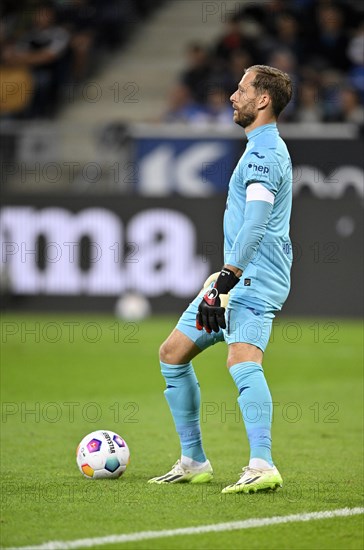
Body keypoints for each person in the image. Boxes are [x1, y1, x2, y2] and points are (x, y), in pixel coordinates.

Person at [148, 65, 293, 494]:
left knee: (242, 361)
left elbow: (255, 223)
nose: (233, 96)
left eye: (242, 88)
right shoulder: (259, 148)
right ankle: (194, 460)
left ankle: (262, 464)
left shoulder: (265, 154)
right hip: (235, 277)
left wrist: (227, 279)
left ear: (263, 99)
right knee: (172, 353)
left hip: (251, 278)